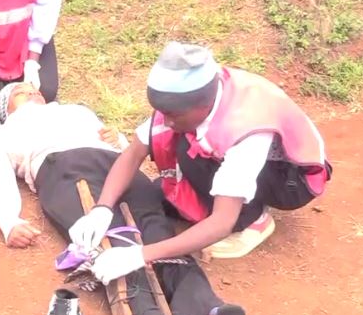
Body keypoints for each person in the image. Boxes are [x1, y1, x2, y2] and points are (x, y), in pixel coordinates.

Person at [0, 82, 246, 315]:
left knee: (157, 230)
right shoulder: (3, 133)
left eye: (34, 89)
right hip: (66, 168)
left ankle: (205, 308)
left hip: (119, 167)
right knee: (113, 241)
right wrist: (10, 222)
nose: (31, 92)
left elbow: (125, 149)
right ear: (5, 108)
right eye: (20, 92)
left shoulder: (76, 111)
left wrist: (117, 139)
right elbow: (0, 176)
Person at [68, 41, 331, 285]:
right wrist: (102, 209)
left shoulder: (245, 127)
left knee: (189, 152)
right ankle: (216, 200)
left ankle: (253, 219)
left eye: (172, 115)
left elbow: (222, 222)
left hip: (291, 179)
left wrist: (140, 255)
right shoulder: (193, 95)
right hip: (256, 159)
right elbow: (133, 154)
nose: (166, 121)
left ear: (202, 105)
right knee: (182, 146)